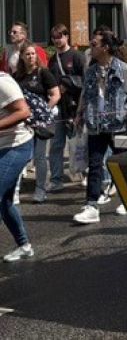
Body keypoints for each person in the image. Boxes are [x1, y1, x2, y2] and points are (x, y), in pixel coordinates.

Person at [73, 28, 127, 224]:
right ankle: (91, 206)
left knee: (122, 165)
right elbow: (85, 95)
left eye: (94, 44)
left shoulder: (124, 70)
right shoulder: (91, 71)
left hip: (118, 125)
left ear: (105, 47)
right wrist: (79, 114)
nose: (91, 47)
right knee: (95, 164)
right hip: (96, 124)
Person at [13, 42, 60, 204]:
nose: (31, 56)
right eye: (27, 54)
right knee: (21, 157)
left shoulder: (43, 73)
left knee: (40, 157)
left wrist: (43, 111)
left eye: (33, 53)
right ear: (22, 56)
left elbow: (55, 95)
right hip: (23, 122)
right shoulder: (17, 76)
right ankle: (15, 191)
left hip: (40, 123)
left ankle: (40, 190)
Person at [47, 24, 86, 192]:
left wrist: (68, 85)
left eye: (60, 36)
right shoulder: (52, 60)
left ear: (67, 36)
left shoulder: (77, 56)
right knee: (56, 145)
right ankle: (56, 179)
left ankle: (83, 174)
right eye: (54, 37)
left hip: (75, 107)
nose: (57, 40)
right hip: (58, 109)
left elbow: (86, 81)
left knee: (79, 144)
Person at [0, 68, 33, 262]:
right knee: (5, 202)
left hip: (17, 146)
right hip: (2, 146)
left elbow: (23, 111)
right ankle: (24, 245)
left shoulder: (2, 82)